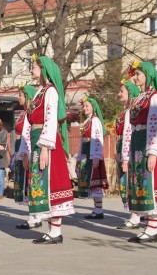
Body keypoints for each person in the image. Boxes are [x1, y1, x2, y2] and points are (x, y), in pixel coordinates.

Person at [17, 55, 74, 244]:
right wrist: (25, 151)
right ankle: (51, 230)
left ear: (43, 69)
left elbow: (50, 120)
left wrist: (45, 148)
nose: (31, 69)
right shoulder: (39, 91)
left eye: (33, 66)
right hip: (35, 141)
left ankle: (56, 232)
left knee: (51, 185)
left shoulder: (50, 91)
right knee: (41, 185)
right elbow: (28, 122)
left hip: (46, 143)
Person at [123, 61, 157, 243]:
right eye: (134, 74)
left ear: (148, 75)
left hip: (148, 145)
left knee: (150, 186)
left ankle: (152, 230)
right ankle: (148, 227)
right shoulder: (139, 98)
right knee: (141, 186)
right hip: (138, 145)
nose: (135, 77)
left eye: (138, 74)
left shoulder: (155, 97)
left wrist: (153, 151)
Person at [13, 84, 42, 230]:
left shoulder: (29, 114)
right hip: (21, 150)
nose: (19, 97)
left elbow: (27, 136)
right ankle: (34, 216)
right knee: (27, 184)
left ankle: (34, 218)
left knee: (32, 183)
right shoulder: (23, 113)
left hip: (27, 151)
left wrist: (26, 154)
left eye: (21, 95)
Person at [76, 96, 109, 219]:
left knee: (95, 182)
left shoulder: (95, 120)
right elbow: (82, 140)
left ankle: (99, 210)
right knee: (90, 182)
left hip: (92, 153)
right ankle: (96, 210)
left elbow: (98, 138)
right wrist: (79, 157)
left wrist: (96, 156)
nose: (84, 108)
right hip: (86, 152)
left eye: (87, 106)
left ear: (93, 107)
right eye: (84, 106)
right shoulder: (87, 121)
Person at [115, 79, 141, 230]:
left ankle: (135, 216)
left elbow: (128, 133)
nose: (119, 94)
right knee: (125, 183)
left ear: (130, 93)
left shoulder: (131, 111)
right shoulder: (125, 111)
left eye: (122, 91)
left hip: (130, 150)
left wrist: (126, 156)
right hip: (123, 148)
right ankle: (134, 215)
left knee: (130, 182)